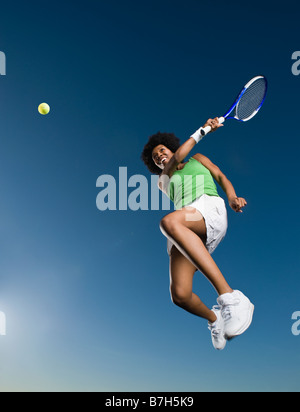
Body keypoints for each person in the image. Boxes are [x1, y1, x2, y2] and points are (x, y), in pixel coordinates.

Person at [141, 118, 254, 350]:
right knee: (180, 295)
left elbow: (220, 176)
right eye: (155, 157)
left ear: (171, 147)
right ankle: (216, 320)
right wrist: (203, 130)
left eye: (162, 150)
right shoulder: (164, 180)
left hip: (207, 207)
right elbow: (174, 160)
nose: (160, 156)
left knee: (168, 222)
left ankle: (231, 297)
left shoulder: (198, 159)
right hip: (186, 223)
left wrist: (232, 197)